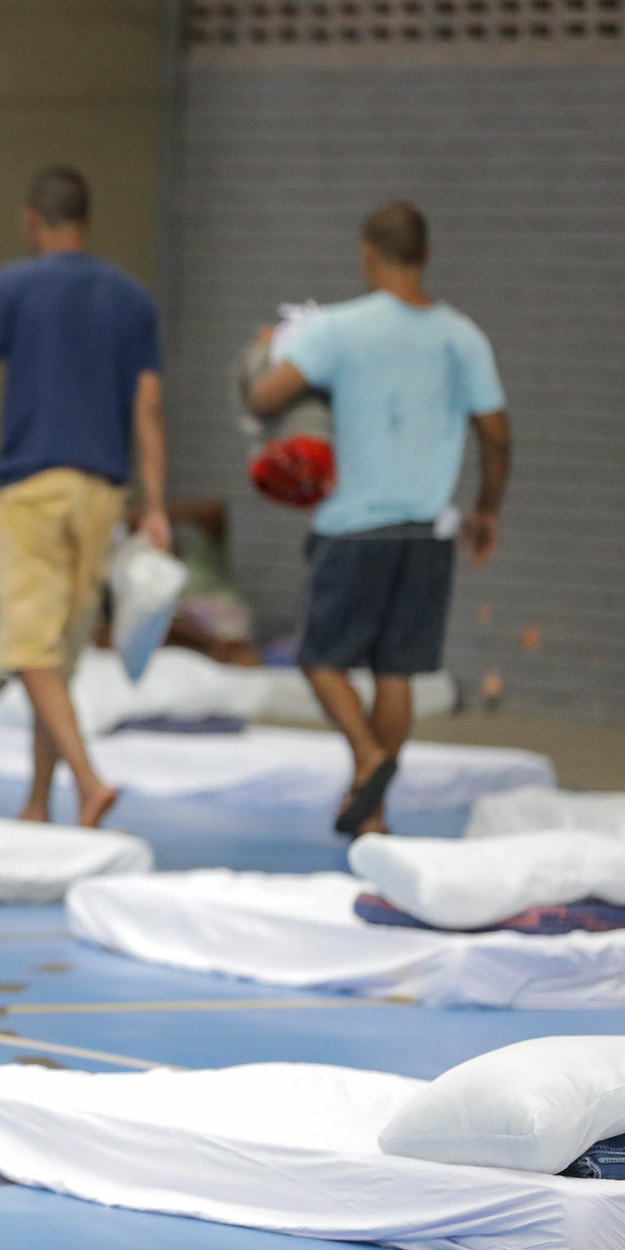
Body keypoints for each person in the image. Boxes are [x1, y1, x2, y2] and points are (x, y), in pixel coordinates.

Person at [247, 201, 509, 837]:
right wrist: (486, 509)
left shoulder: (339, 329)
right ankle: (375, 814)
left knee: (320, 658)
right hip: (427, 531)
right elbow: (496, 433)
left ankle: (367, 762)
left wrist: (267, 353)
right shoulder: (463, 337)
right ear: (428, 255)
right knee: (397, 671)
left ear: (367, 253)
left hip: (353, 526)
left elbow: (264, 398)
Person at [0, 165, 170, 828]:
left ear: (32, 218)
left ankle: (89, 783)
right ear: (86, 220)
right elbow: (148, 407)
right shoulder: (131, 298)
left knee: (28, 648)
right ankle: (38, 801)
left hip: (33, 488)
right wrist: (153, 504)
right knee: (56, 657)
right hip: (103, 493)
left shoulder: (13, 285)